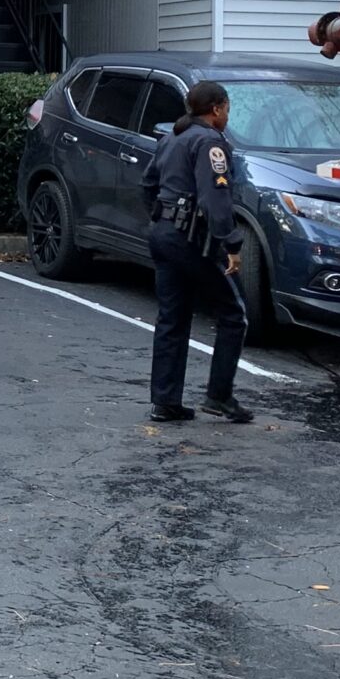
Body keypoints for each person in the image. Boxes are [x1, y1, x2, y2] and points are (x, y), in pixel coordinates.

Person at [139, 79, 253, 424]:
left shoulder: (173, 136)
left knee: (172, 318)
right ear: (216, 108)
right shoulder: (209, 143)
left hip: (163, 234)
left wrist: (163, 218)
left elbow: (148, 183)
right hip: (191, 240)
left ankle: (165, 401)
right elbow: (215, 199)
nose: (227, 116)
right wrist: (232, 244)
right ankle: (219, 396)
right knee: (234, 315)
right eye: (227, 109)